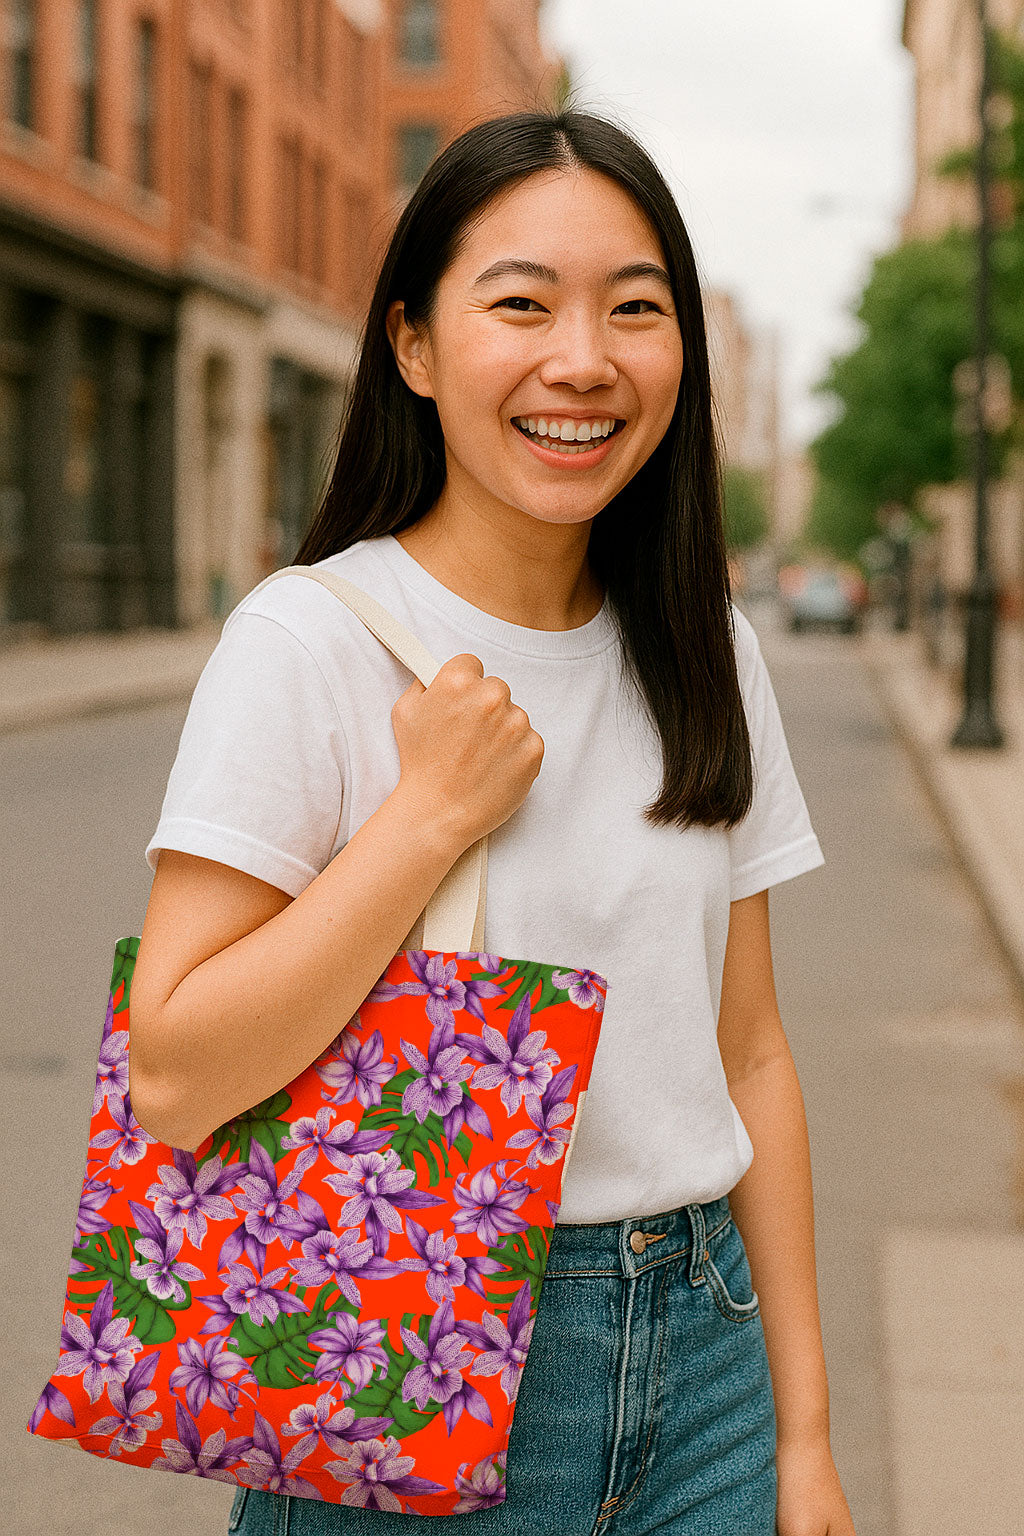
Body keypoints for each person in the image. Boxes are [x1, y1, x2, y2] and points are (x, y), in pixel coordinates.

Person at [129, 108, 854, 1536]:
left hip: (705, 1359)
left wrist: (805, 1434)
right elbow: (175, 1071)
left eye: (635, 309)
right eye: (521, 304)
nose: (582, 360)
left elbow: (752, 1050)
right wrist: (424, 821)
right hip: (412, 1330)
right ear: (413, 346)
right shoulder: (310, 640)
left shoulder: (704, 646)